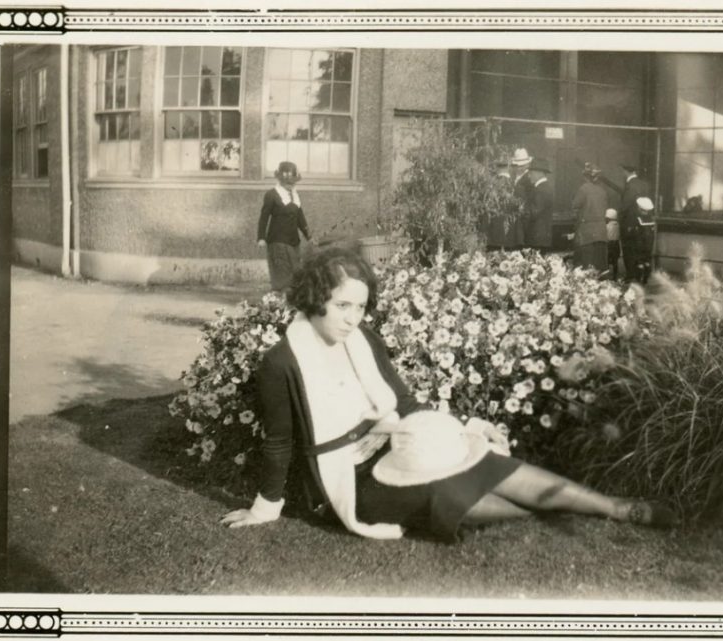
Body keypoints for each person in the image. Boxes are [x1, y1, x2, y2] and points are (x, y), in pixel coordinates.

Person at [221, 247, 676, 541]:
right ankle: (534, 514)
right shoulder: (282, 362)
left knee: (488, 464)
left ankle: (616, 508)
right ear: (313, 299)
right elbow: (279, 442)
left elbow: (403, 403)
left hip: (395, 443)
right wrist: (266, 507)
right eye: (342, 306)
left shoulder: (364, 339)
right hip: (349, 476)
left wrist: (456, 432)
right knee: (451, 498)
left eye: (360, 307)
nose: (353, 319)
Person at [257, 161, 312, 290]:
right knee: (281, 275)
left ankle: (290, 304)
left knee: (294, 274)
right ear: (280, 180)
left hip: (294, 242)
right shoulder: (272, 195)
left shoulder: (295, 196)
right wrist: (261, 237)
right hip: (278, 242)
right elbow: (264, 217)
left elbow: (300, 218)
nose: (290, 184)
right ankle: (280, 304)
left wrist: (309, 236)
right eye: (287, 182)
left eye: (292, 182)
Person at [570, 162, 610, 273]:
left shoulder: (583, 189)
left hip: (587, 234)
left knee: (586, 268)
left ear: (585, 176)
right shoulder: (603, 191)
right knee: (600, 268)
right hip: (601, 233)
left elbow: (575, 206)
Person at [622, 197, 658, 285]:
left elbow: (632, 233)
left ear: (640, 208)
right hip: (648, 245)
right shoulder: (650, 220)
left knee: (638, 261)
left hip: (638, 244)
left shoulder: (637, 219)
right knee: (646, 260)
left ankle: (637, 278)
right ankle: (645, 278)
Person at [523, 156, 555, 251]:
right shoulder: (543, 188)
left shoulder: (541, 190)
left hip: (537, 238)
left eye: (531, 173)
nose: (529, 176)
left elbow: (533, 212)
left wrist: (520, 211)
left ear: (539, 173)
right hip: (539, 237)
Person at [604, 208, 621, 281]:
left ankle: (607, 275)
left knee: (607, 260)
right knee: (615, 261)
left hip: (609, 244)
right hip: (616, 244)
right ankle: (615, 276)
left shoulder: (607, 226)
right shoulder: (618, 225)